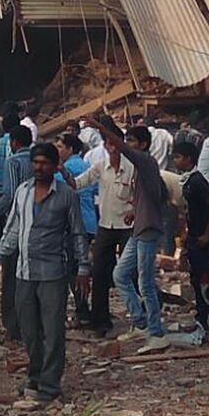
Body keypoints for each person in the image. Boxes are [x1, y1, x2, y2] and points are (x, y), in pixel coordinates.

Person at [0, 143, 89, 409]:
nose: (39, 168)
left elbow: (77, 233)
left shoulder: (66, 195)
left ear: (55, 166)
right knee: (29, 330)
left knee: (53, 331)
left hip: (53, 272)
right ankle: (35, 377)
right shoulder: (23, 191)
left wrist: (83, 269)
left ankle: (50, 385)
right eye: (36, 163)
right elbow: (12, 229)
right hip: (24, 272)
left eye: (45, 163)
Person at [91, 117, 170, 348]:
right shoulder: (142, 168)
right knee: (120, 275)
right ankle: (140, 322)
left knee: (145, 283)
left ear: (143, 144)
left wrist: (101, 127)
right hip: (139, 227)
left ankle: (156, 333)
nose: (128, 145)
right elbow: (159, 194)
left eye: (132, 141)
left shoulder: (144, 161)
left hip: (147, 229)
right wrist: (136, 211)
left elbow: (122, 148)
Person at [75, 131, 135, 337]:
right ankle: (100, 319)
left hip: (128, 228)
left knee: (130, 273)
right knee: (100, 273)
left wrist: (135, 210)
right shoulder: (100, 166)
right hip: (106, 226)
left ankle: (140, 318)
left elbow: (144, 194)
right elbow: (78, 183)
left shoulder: (133, 168)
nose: (113, 148)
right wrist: (61, 172)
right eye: (109, 143)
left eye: (116, 143)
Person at [0, 127, 35, 341]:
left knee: (11, 276)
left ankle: (13, 326)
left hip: (16, 221)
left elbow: (10, 195)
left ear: (13, 142)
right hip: (37, 225)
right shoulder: (37, 160)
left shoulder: (13, 162)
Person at [173, 139, 209, 335]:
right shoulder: (188, 181)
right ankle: (202, 317)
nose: (175, 161)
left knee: (204, 280)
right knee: (196, 278)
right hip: (195, 235)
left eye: (178, 157)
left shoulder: (197, 181)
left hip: (202, 237)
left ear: (188, 159)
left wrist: (207, 233)